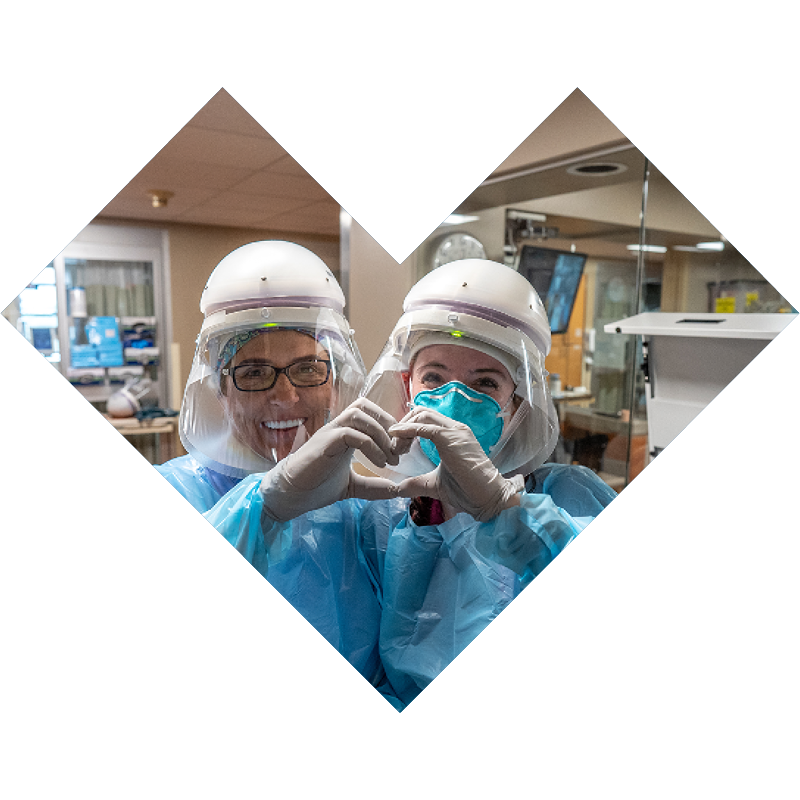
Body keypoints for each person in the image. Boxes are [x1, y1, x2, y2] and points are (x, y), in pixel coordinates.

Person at [354, 258, 618, 707]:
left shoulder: (567, 499)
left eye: (485, 383)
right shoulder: (391, 516)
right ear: (407, 388)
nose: (454, 399)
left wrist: (509, 514)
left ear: (517, 405)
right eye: (434, 377)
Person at [155, 241, 399, 691]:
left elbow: (407, 660)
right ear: (220, 390)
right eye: (253, 373)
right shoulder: (173, 493)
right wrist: (262, 507)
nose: (286, 397)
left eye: (308, 369)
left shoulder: (365, 509)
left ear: (334, 380)